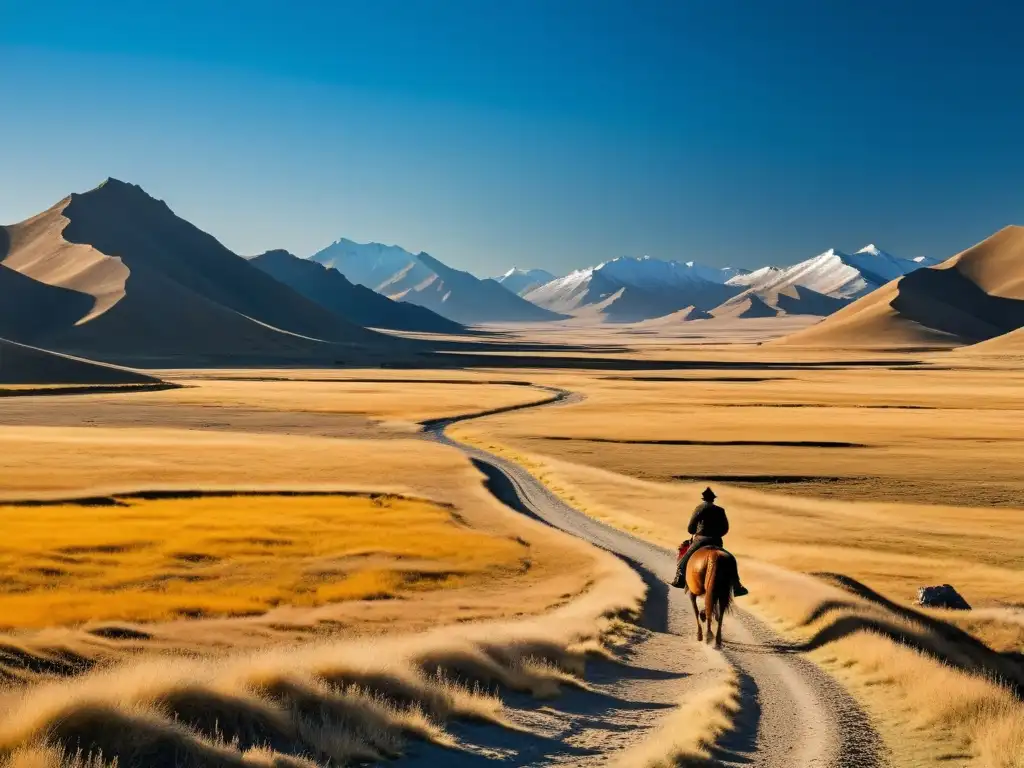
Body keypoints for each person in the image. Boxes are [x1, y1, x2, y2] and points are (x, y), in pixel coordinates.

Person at [673, 487, 748, 596]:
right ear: (713, 499)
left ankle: (679, 580)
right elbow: (725, 528)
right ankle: (737, 587)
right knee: (731, 559)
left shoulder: (699, 508)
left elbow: (690, 528)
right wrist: (717, 535)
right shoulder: (720, 510)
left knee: (683, 561)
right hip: (716, 541)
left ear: (703, 498)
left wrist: (695, 531)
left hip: (701, 540)